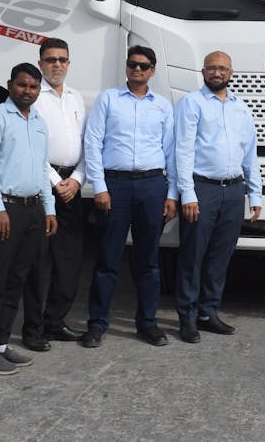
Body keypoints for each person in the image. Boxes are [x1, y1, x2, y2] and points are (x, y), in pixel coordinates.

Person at [80, 45, 177, 348]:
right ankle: (97, 325)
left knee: (148, 260)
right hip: (115, 186)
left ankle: (148, 324)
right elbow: (93, 142)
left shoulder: (162, 106)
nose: (137, 69)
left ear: (152, 71)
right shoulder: (108, 99)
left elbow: (171, 151)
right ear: (126, 67)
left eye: (143, 66)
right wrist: (99, 187)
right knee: (107, 259)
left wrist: (172, 193)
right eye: (133, 64)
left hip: (152, 186)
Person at [0, 63, 57, 376]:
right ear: (10, 85)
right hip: (5, 209)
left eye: (33, 87)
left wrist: (49, 209)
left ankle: (0, 344)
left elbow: (41, 168)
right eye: (22, 85)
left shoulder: (38, 123)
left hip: (33, 209)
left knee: (16, 281)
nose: (28, 91)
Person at [174, 50, 262, 343]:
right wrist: (187, 193)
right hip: (202, 189)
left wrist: (255, 194)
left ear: (231, 73)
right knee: (192, 255)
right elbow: (183, 150)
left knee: (220, 255)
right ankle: (187, 318)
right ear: (203, 72)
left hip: (234, 191)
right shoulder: (191, 103)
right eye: (211, 68)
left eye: (223, 68)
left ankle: (208, 312)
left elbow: (250, 153)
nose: (217, 73)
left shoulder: (241, 108)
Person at [23, 38, 87, 348]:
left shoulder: (76, 98)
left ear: (69, 63)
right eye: (51, 59)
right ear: (41, 64)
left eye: (62, 59)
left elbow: (87, 144)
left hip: (73, 186)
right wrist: (54, 180)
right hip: (43, 186)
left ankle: (55, 321)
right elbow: (30, 145)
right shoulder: (34, 97)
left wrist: (77, 179)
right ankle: (33, 328)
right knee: (39, 262)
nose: (57, 64)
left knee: (69, 260)